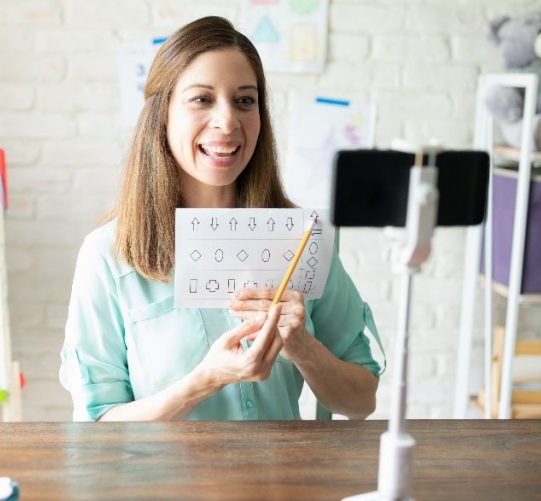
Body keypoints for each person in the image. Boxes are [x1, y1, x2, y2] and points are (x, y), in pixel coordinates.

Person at [59, 16, 382, 422]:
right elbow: (97, 427)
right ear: (162, 114)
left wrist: (303, 347)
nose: (228, 122)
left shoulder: (301, 240)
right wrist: (205, 380)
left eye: (245, 100)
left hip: (282, 485)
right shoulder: (108, 256)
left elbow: (360, 401)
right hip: (161, 486)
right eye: (201, 99)